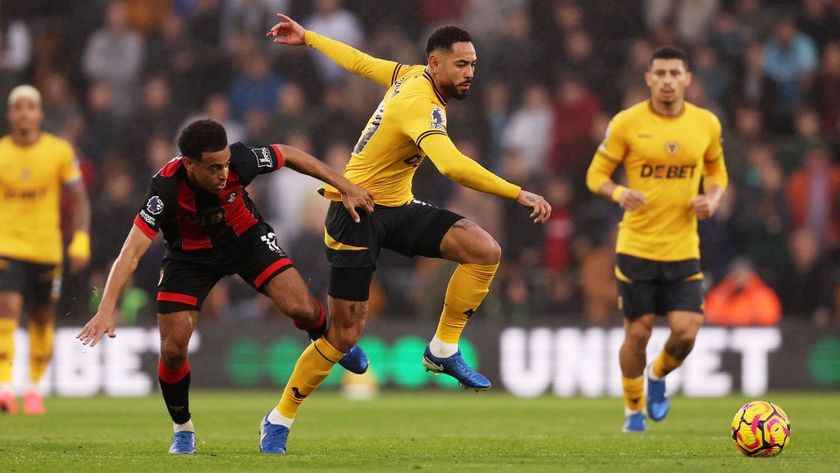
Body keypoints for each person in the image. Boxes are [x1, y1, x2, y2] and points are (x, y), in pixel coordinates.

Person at [260, 13, 551, 454]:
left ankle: (442, 348)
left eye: (473, 64)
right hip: (353, 211)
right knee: (342, 337)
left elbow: (360, 62)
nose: (470, 72)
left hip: (395, 207)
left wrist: (309, 38)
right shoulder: (421, 102)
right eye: (461, 65)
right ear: (436, 63)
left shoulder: (410, 74)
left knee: (483, 249)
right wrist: (518, 193)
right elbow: (451, 166)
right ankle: (278, 418)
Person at [76, 119, 375, 454]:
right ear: (189, 164)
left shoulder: (239, 160)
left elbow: (288, 154)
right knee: (173, 350)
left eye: (225, 164)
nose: (223, 173)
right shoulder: (164, 188)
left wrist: (343, 183)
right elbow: (131, 252)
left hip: (245, 239)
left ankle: (331, 341)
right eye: (214, 167)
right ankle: (182, 428)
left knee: (301, 307)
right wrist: (106, 308)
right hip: (189, 258)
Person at [585, 46, 728, 433]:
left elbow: (717, 172)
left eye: (674, 73)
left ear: (687, 79)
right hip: (637, 246)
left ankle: (658, 373)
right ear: (648, 78)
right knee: (639, 331)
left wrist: (712, 198)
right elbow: (595, 174)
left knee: (686, 331)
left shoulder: (706, 124)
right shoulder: (627, 123)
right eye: (660, 73)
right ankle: (633, 410)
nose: (667, 80)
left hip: (683, 247)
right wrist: (618, 193)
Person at [0, 85, 91, 415]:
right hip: (6, 247)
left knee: (41, 318)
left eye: (30, 107)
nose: (24, 112)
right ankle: (5, 388)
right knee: (6, 312)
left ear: (39, 113)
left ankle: (35, 389)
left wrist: (80, 238)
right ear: (10, 114)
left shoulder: (59, 151)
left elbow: (79, 199)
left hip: (46, 250)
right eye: (18, 107)